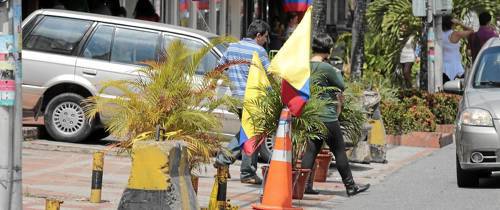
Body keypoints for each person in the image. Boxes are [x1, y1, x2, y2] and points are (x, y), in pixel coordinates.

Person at [300, 33, 370, 196]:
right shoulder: (328, 68)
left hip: (312, 114)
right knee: (339, 151)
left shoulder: (304, 66)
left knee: (311, 151)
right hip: (328, 116)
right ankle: (351, 186)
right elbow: (341, 85)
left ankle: (303, 186)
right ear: (328, 50)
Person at [214, 20, 271, 185]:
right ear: (258, 35)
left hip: (236, 98)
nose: (266, 41)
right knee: (252, 133)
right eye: (265, 37)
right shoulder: (259, 51)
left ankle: (225, 159)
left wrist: (232, 77)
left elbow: (219, 67)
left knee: (248, 132)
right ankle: (246, 172)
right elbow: (270, 74)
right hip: (252, 99)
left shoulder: (232, 47)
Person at [441, 15, 474, 84]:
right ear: (452, 24)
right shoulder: (455, 34)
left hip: (443, 66)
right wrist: (459, 23)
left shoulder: (438, 34)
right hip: (455, 66)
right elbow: (471, 31)